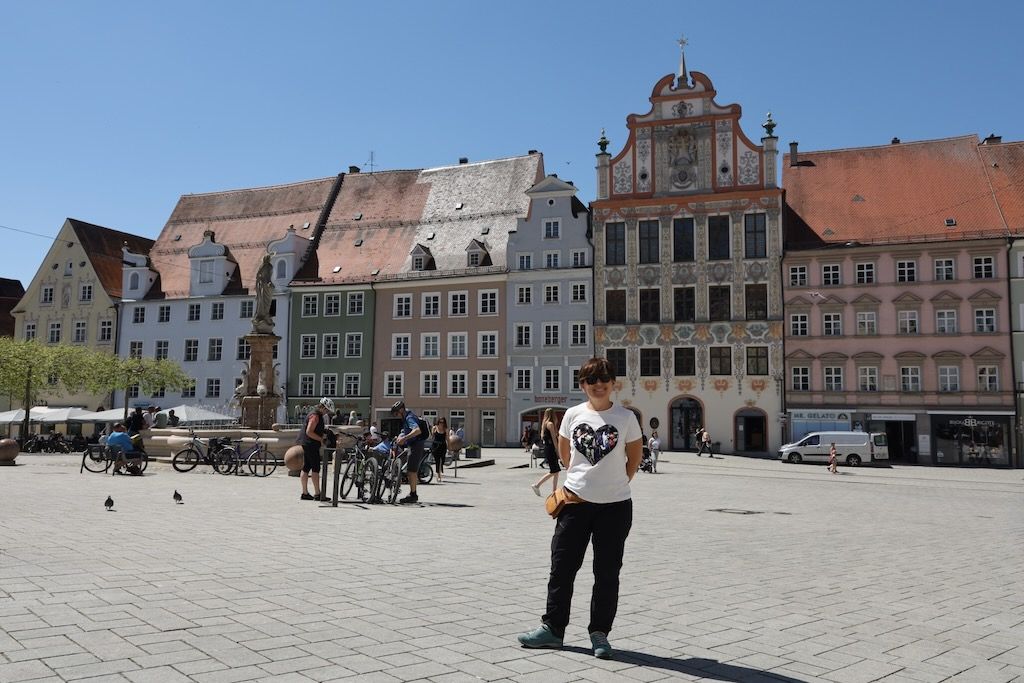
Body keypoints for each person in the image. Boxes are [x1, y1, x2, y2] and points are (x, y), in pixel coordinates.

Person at [518, 357, 642, 660]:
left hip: (615, 508)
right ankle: (553, 629)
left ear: (614, 383)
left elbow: (634, 460)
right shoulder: (572, 414)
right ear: (582, 385)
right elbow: (565, 455)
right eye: (591, 380)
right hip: (573, 505)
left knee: (607, 572)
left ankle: (599, 633)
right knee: (561, 568)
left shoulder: (626, 417)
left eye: (604, 379)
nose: (598, 385)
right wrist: (585, 482)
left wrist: (610, 485)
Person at [297, 397, 333, 501]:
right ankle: (318, 494)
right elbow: (309, 431)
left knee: (306, 467)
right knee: (316, 468)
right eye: (326, 410)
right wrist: (321, 439)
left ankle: (305, 493)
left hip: (306, 443)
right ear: (323, 407)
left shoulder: (314, 414)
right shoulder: (315, 416)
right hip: (311, 444)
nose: (327, 412)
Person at [391, 400, 427, 503]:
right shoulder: (406, 417)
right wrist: (400, 436)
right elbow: (406, 430)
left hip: (417, 445)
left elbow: (417, 430)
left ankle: (413, 495)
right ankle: (413, 493)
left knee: (411, 470)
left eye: (396, 413)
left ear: (401, 410)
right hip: (413, 445)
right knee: (410, 470)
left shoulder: (409, 417)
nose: (396, 415)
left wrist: (405, 438)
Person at [531, 409, 562, 496]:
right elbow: (554, 439)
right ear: (552, 414)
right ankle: (537, 485)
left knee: (556, 470)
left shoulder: (545, 424)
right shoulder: (550, 424)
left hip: (548, 448)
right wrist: (557, 450)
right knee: (554, 471)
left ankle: (554, 491)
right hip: (551, 448)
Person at [430, 417, 448, 482]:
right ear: (438, 422)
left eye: (443, 422)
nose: (441, 423)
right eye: (440, 422)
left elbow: (447, 438)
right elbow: (432, 437)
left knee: (442, 460)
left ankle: (441, 469)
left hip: (443, 446)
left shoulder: (445, 429)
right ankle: (438, 475)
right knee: (437, 460)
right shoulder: (434, 428)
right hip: (435, 446)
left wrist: (450, 447)